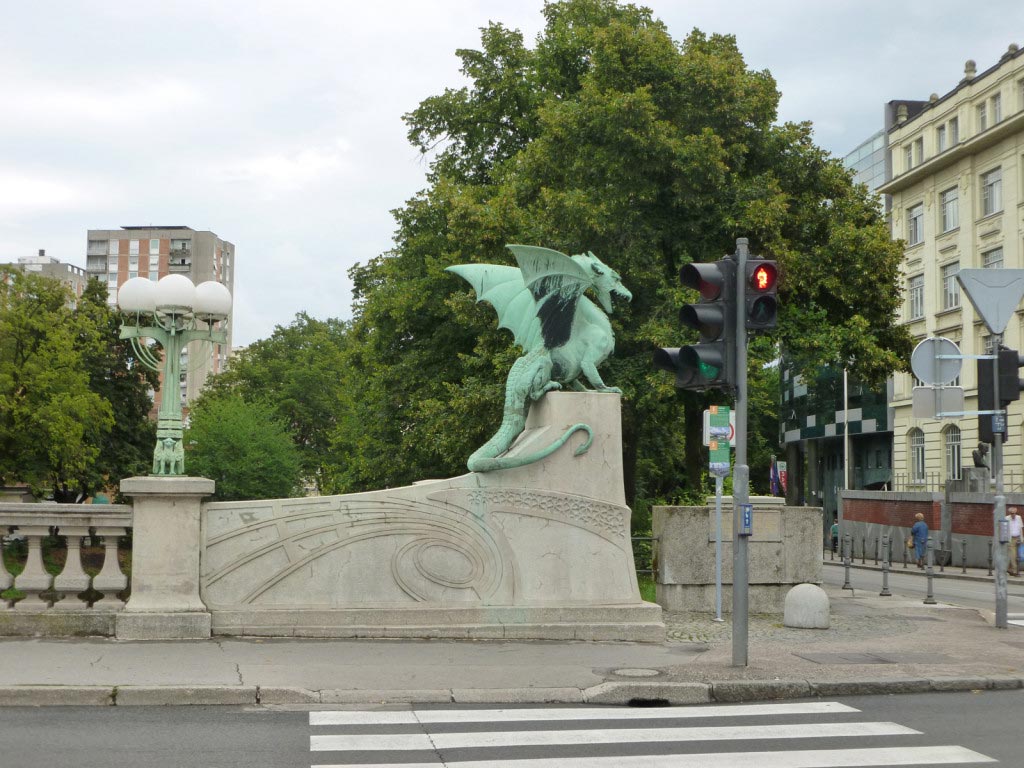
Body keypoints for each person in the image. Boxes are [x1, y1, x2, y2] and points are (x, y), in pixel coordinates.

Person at [1007, 506, 1023, 577]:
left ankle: (1008, 568)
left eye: (1014, 513)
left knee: (1017, 555)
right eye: (1011, 513)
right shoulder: (1006, 518)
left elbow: (1021, 528)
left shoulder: (1019, 518)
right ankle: (1015, 571)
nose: (1013, 514)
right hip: (1011, 539)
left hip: (1018, 538)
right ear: (1009, 513)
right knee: (1013, 555)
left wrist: (1022, 538)